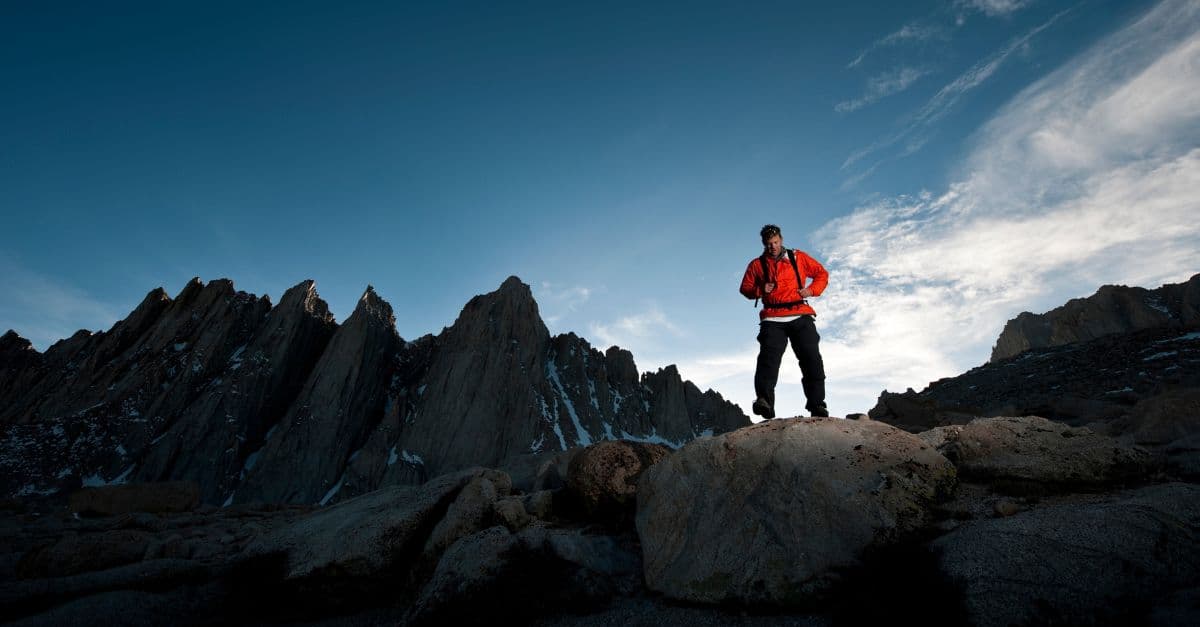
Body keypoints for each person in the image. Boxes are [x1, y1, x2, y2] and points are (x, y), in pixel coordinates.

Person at [739, 224, 829, 419]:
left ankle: (817, 405)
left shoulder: (798, 257)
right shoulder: (757, 264)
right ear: (763, 244)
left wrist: (811, 290)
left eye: (775, 242)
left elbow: (821, 274)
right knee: (768, 362)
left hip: (800, 314)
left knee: (812, 360)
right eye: (768, 243)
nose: (772, 246)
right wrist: (761, 290)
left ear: (781, 240)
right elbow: (745, 288)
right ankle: (765, 403)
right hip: (772, 318)